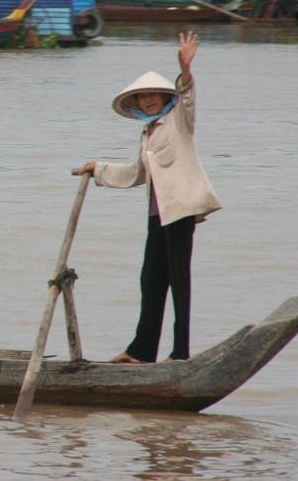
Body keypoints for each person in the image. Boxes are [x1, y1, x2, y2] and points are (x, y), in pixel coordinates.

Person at [80, 31, 222, 364]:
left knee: (178, 279)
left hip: (181, 210)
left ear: (163, 95)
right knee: (151, 279)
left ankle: (180, 354)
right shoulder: (148, 132)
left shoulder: (178, 122)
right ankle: (141, 351)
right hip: (157, 215)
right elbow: (137, 173)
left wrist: (185, 71)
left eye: (152, 95)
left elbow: (187, 98)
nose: (147, 101)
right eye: (142, 97)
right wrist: (97, 168)